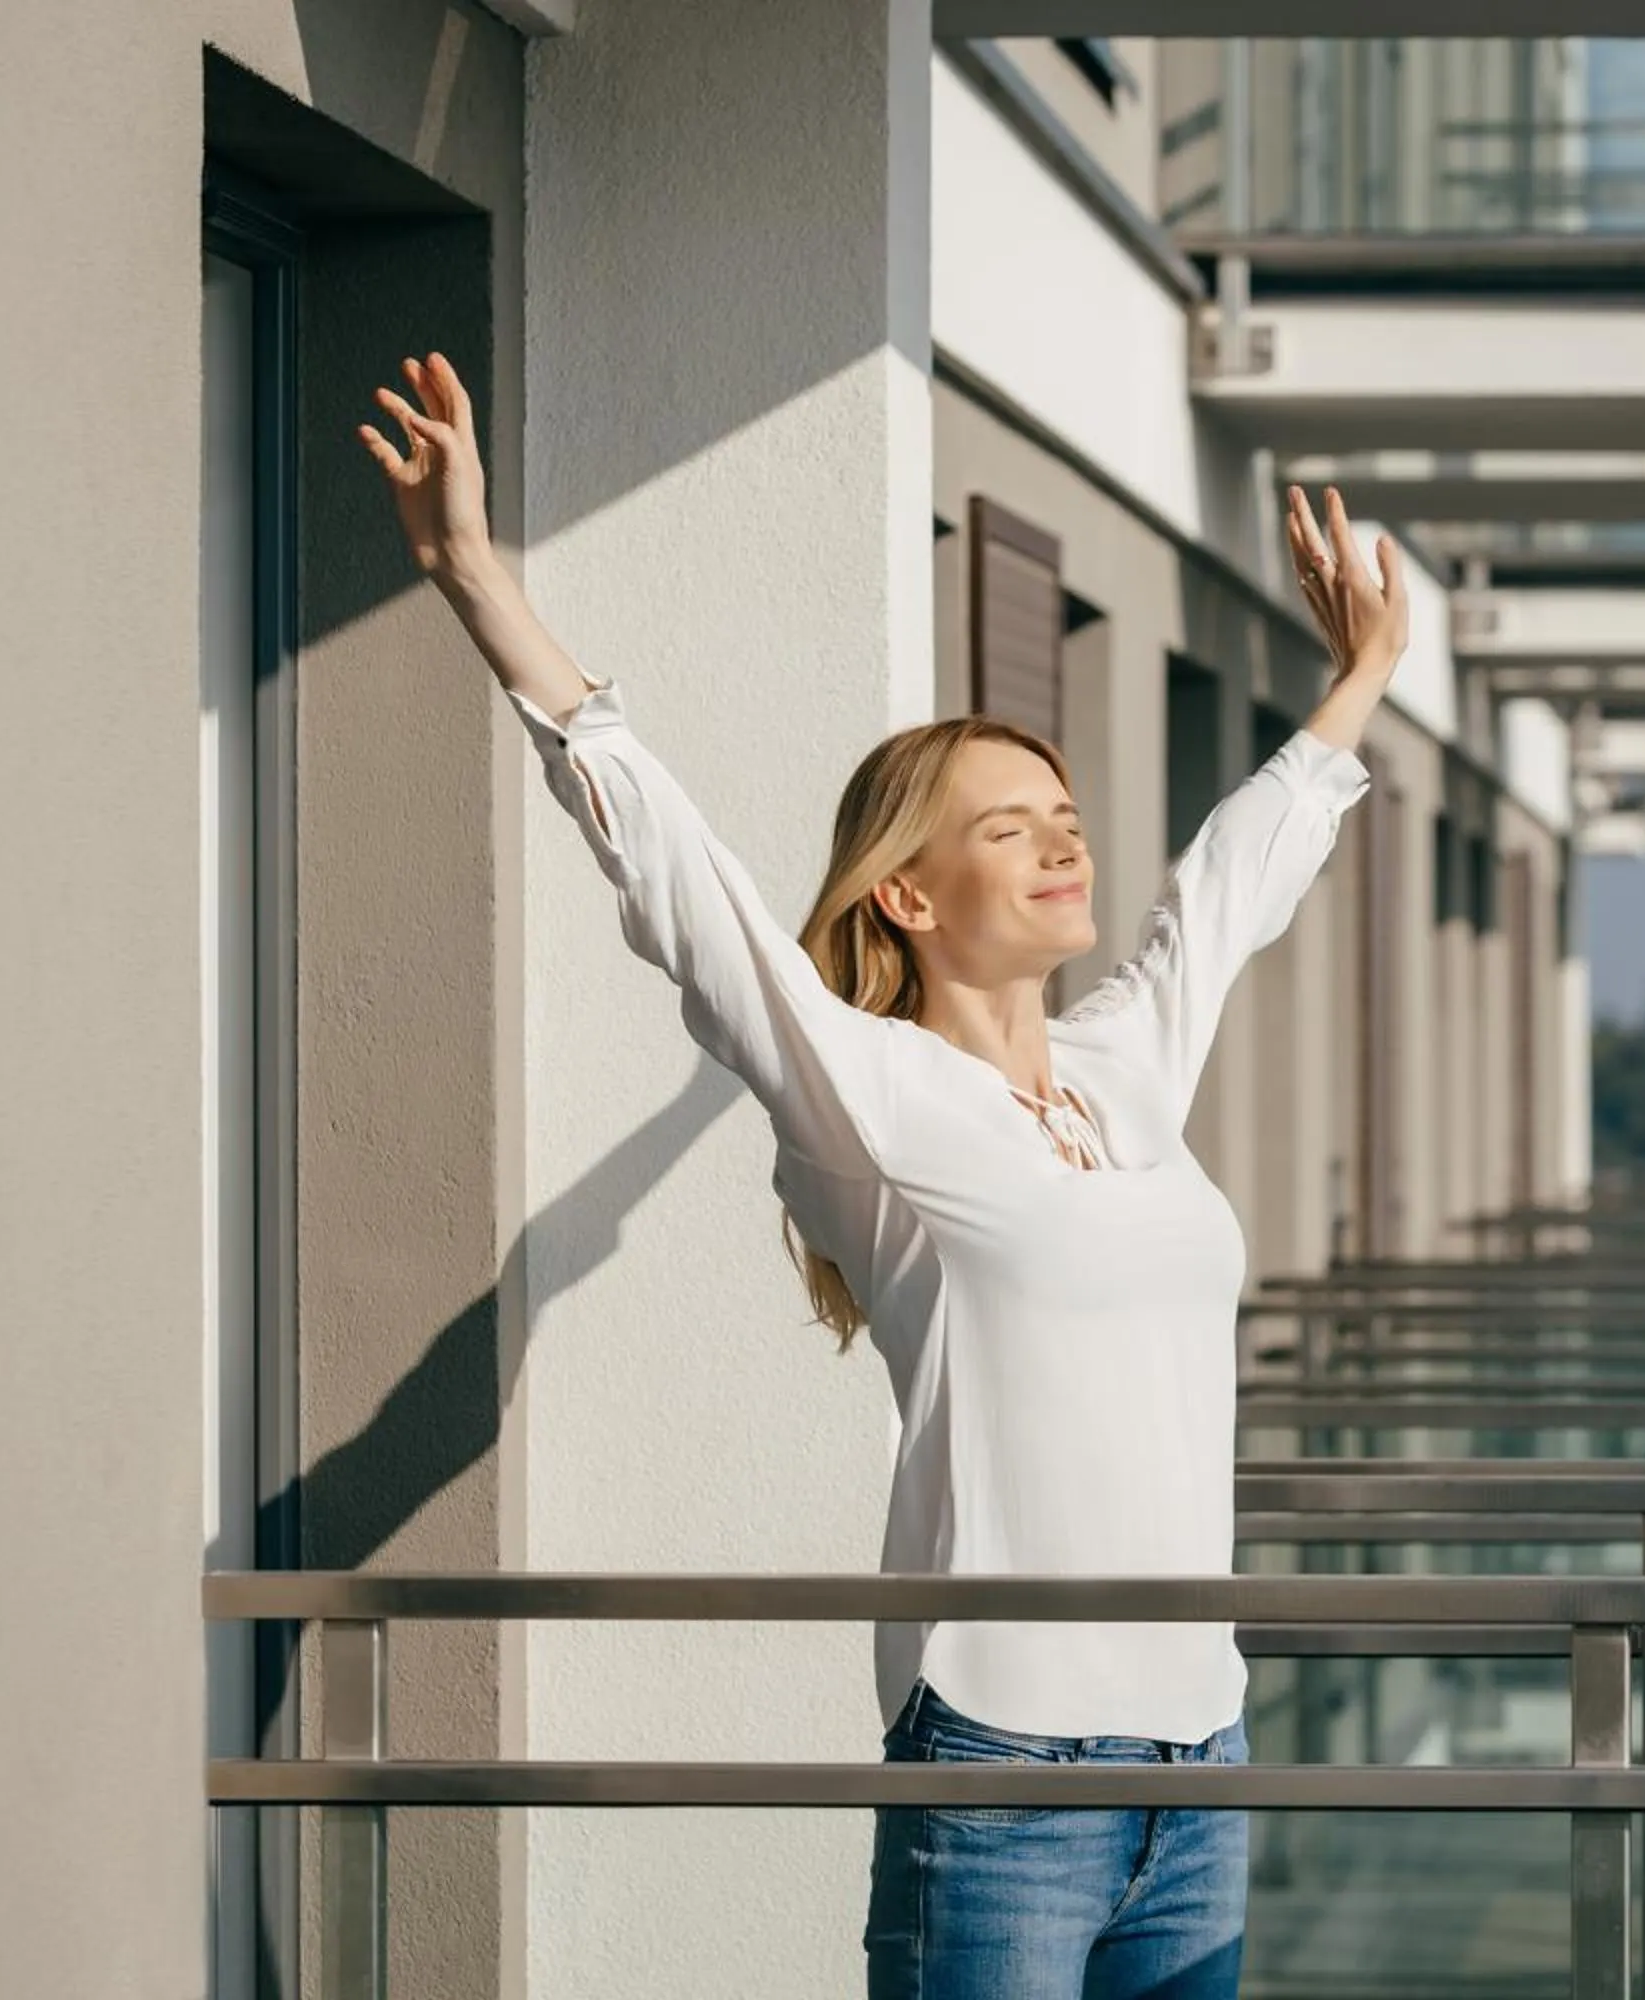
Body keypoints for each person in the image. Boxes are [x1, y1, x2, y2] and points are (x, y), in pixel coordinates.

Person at [361, 353, 1407, 1999]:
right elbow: (679, 885)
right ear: (908, 895)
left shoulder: (1126, 1064)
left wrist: (1364, 673)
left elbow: (1235, 877)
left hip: (1203, 1763)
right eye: (1008, 826)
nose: (1064, 838)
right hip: (999, 1781)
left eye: (1064, 812)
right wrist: (478, 578)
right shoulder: (877, 1100)